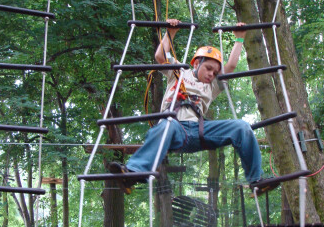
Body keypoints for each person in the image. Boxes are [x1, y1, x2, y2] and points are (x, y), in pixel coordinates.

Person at [109, 18, 272, 194]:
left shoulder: (212, 86)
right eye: (208, 68)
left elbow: (231, 66)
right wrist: (170, 33)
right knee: (167, 124)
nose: (211, 74)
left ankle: (256, 180)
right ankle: (134, 172)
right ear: (196, 63)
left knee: (242, 126)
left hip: (199, 130)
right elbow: (160, 57)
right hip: (175, 129)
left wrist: (239, 38)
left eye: (215, 72)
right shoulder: (178, 73)